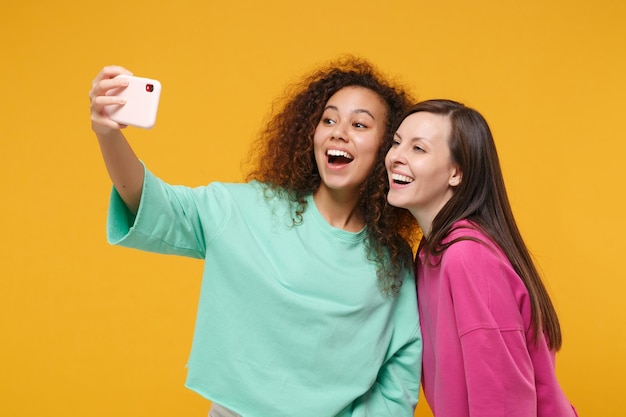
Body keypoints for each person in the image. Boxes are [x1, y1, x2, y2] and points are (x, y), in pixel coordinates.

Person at [89, 57, 422, 417]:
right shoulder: (247, 209)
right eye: (328, 119)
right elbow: (155, 203)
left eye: (359, 124)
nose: (338, 132)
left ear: (388, 148)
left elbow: (400, 377)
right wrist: (108, 134)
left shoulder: (393, 260)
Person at [385, 99, 578, 417]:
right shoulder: (431, 253)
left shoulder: (468, 257)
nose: (396, 157)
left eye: (418, 149)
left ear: (456, 173)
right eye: (396, 143)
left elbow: (502, 402)